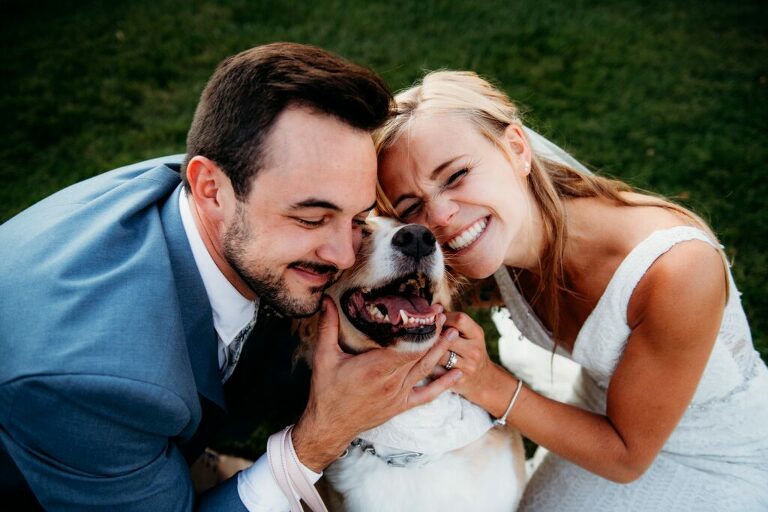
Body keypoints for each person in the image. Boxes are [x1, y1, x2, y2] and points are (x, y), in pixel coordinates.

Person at [0, 44, 460, 511]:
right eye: (311, 219)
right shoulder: (94, 381)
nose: (344, 254)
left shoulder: (243, 185)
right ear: (210, 189)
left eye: (358, 218)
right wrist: (319, 437)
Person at [374, 70, 768, 511]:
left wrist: (487, 383)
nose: (440, 216)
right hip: (598, 409)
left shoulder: (677, 269)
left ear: (517, 149)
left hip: (715, 455)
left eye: (456, 175)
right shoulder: (495, 237)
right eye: (412, 206)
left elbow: (626, 458)